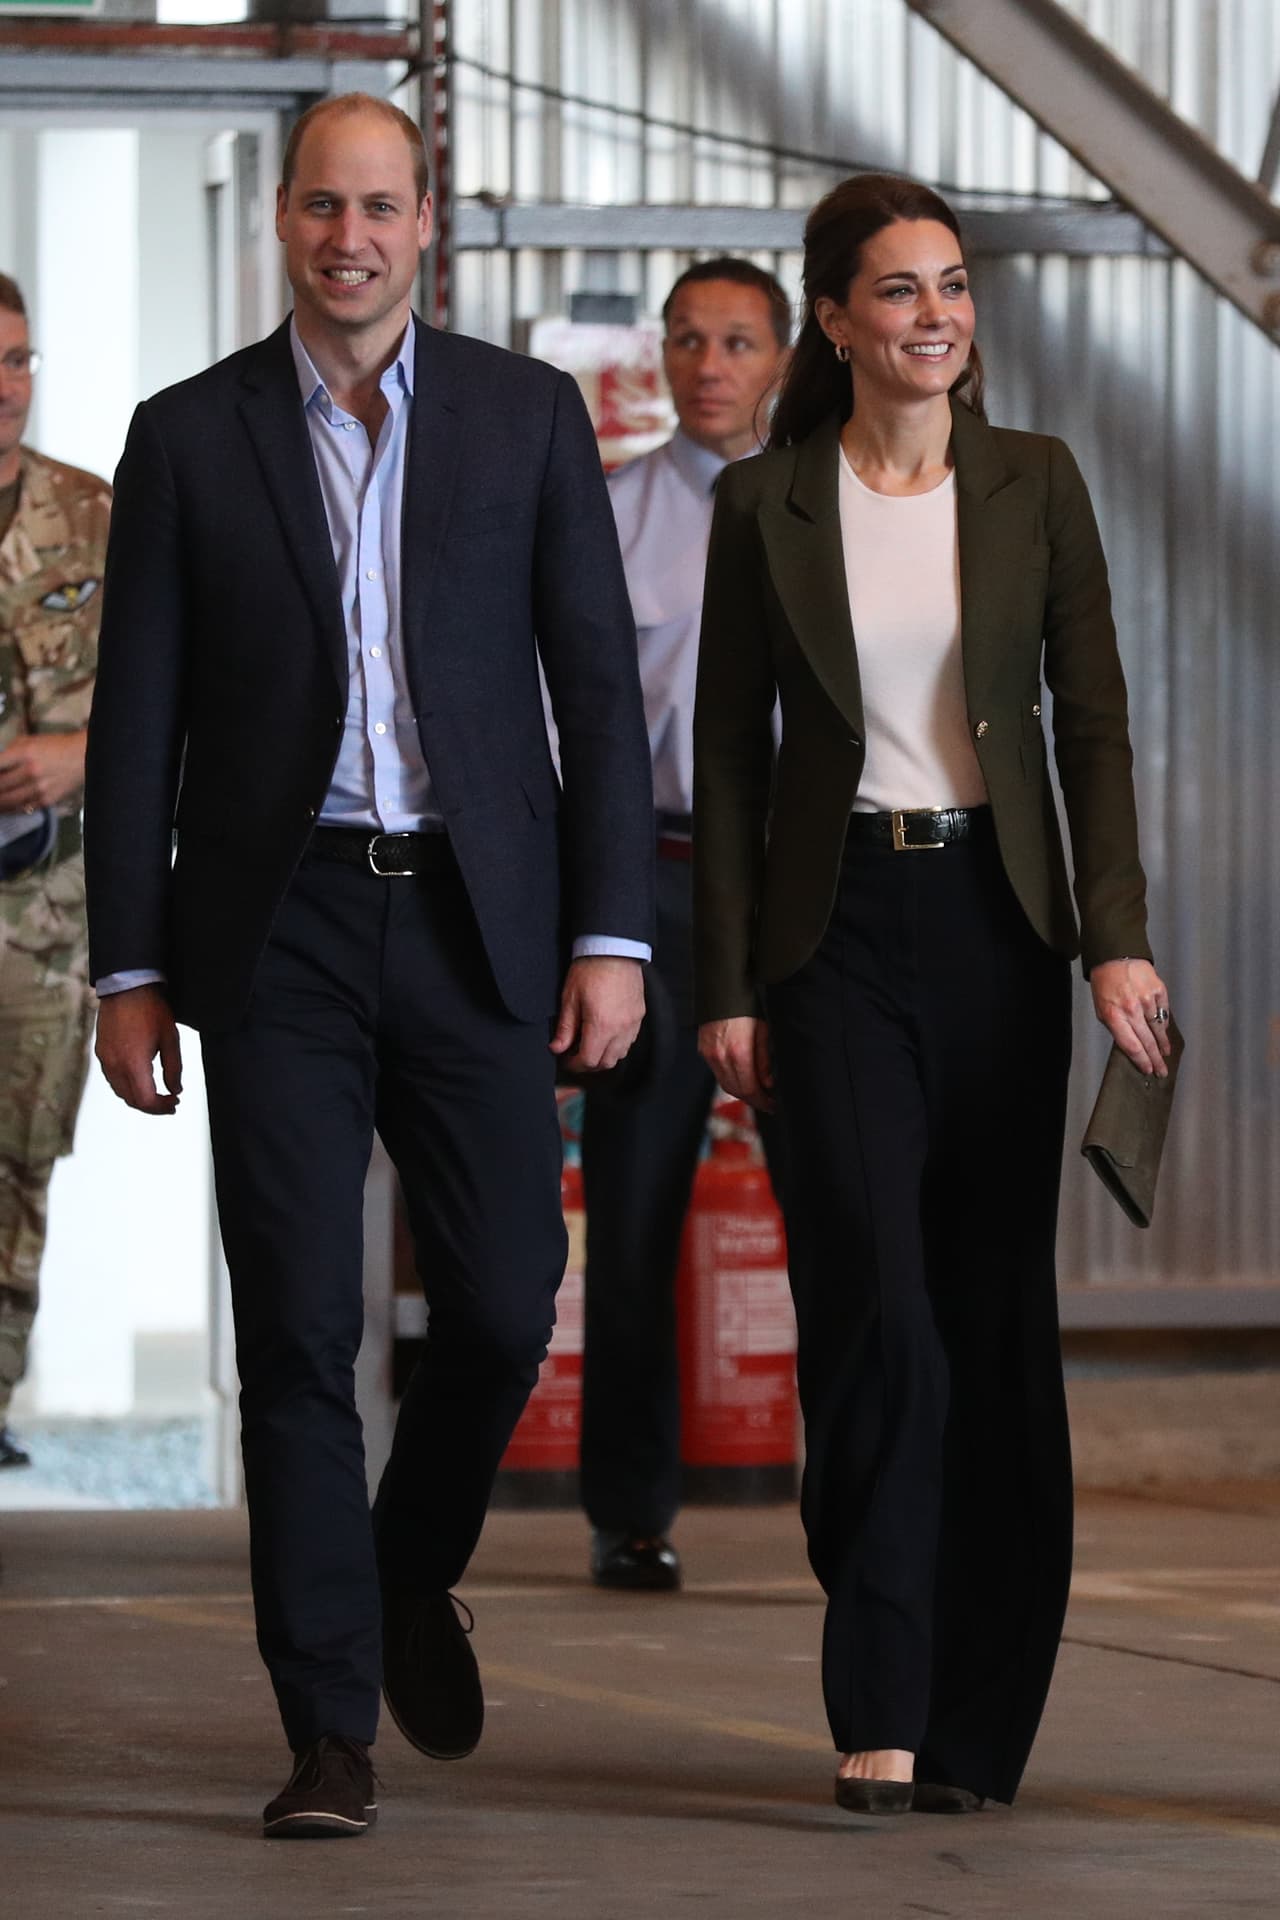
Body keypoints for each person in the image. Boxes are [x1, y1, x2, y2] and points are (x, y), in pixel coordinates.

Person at [84, 93, 654, 1839]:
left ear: (428, 221)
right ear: (287, 222)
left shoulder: (524, 418)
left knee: (501, 1306)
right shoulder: (189, 436)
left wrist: (610, 933)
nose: (351, 236)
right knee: (299, 1340)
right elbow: (140, 724)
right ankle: (331, 1724)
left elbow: (597, 693)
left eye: (381, 206)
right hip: (279, 931)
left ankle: (409, 1567)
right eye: (324, 206)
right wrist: (129, 965)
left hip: (483, 918)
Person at [693, 174, 1172, 1817]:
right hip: (832, 948)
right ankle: (880, 1689)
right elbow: (726, 762)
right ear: (836, 318)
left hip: (993, 927)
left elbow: (1093, 723)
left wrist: (1117, 932)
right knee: (874, 1311)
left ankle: (977, 1715)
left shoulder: (1036, 482)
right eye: (899, 292)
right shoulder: (769, 506)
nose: (936, 317)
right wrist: (733, 978)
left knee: (985, 1317)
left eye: (953, 287)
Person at [580, 259, 791, 1592]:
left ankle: (871, 1500)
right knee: (638, 1206)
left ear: (785, 355)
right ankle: (632, 1508)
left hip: (801, 887)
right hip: (655, 882)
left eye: (737, 341)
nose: (708, 364)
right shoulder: (608, 514)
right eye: (687, 341)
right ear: (657, 358)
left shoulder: (836, 503)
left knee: (846, 1201)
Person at [0, 273, 110, 1472]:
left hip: (43, 911)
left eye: (19, 361)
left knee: (20, 1161)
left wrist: (78, 753)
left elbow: (184, 699)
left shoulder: (94, 514)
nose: (5, 388)